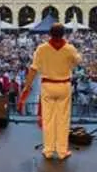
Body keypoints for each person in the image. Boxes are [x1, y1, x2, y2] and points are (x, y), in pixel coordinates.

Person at [21, 23, 82, 160]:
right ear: (63, 34)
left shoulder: (42, 49)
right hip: (64, 85)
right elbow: (78, 61)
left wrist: (27, 86)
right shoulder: (69, 48)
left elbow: (33, 69)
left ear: (50, 34)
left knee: (48, 119)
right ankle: (61, 151)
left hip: (48, 85)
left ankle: (48, 150)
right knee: (62, 119)